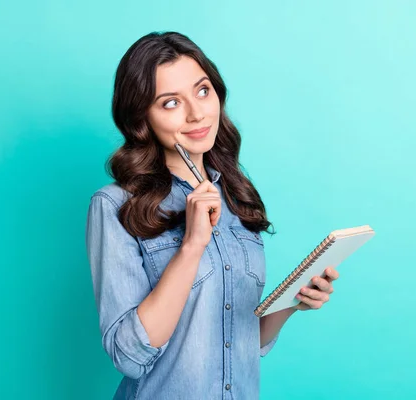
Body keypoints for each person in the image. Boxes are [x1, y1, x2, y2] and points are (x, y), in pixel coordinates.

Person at [85, 31, 339, 400]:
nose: (196, 113)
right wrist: (192, 245)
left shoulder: (237, 196)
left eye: (202, 91)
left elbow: (238, 341)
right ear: (142, 118)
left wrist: (292, 304)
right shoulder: (115, 206)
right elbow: (128, 355)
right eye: (170, 103)